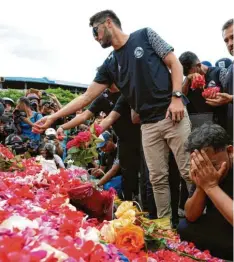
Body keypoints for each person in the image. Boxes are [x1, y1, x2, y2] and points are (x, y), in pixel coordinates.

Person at [35, 10, 192, 219]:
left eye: (95, 31)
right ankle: (165, 225)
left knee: (189, 171)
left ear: (108, 23)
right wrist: (54, 118)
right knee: (156, 178)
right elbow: (85, 98)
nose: (96, 38)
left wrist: (177, 98)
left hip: (172, 114)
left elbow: (175, 63)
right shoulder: (110, 64)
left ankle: (202, 218)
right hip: (148, 125)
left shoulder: (145, 35)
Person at [57, 84, 142, 201]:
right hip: (124, 140)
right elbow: (85, 115)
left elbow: (110, 119)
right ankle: (129, 205)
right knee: (127, 176)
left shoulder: (127, 91)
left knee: (147, 176)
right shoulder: (103, 97)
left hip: (142, 136)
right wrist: (63, 127)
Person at [177, 123, 233, 260]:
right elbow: (190, 215)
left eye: (213, 165)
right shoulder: (203, 169)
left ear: (230, 151)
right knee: (185, 227)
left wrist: (211, 186)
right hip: (223, 227)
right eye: (202, 166)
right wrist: (201, 187)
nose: (208, 171)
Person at [179, 51, 227, 128]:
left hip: (220, 124)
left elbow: (230, 96)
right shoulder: (187, 81)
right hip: (198, 127)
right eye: (187, 75)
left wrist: (222, 100)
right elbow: (180, 97)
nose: (191, 76)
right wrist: (187, 79)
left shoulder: (220, 72)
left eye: (191, 73)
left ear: (198, 65)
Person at [205, 19, 233, 140]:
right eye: (226, 40)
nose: (230, 43)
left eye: (233, 37)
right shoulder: (231, 69)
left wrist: (231, 99)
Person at [95, 131, 123, 197]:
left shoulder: (119, 151)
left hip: (121, 177)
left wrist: (97, 184)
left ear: (110, 139)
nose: (103, 149)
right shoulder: (104, 154)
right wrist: (95, 172)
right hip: (109, 177)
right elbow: (101, 170)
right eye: (101, 148)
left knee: (108, 187)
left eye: (105, 145)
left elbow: (113, 170)